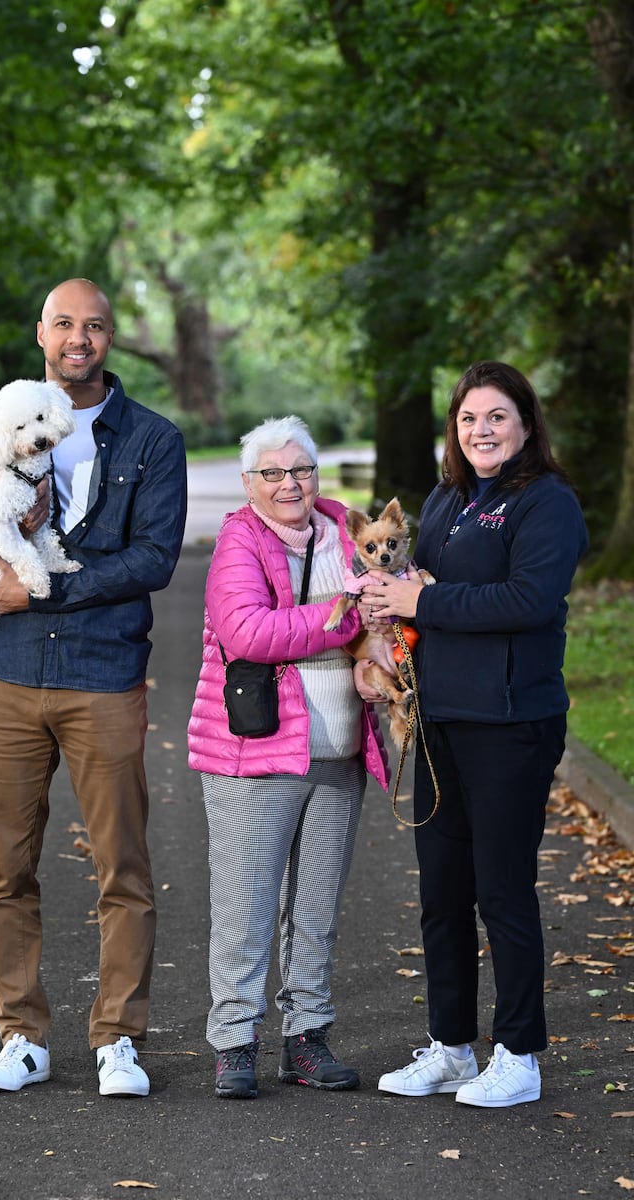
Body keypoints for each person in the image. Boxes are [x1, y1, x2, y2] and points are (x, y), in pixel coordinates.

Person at [0, 278, 187, 1097]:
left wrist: (47, 588)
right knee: (5, 868)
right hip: (5, 676)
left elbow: (153, 561)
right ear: (41, 333)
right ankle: (21, 1034)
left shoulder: (152, 441)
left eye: (95, 327)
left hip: (103, 674)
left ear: (110, 339)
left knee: (122, 865)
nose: (79, 339)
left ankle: (118, 1040)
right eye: (65, 324)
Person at [358, 361, 588, 1108]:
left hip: (512, 723)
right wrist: (390, 614)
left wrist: (424, 597)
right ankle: (452, 1046)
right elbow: (424, 586)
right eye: (468, 419)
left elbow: (527, 598)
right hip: (440, 721)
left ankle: (519, 1056)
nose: (481, 431)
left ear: (525, 423)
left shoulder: (547, 503)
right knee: (442, 893)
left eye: (496, 416)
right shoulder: (450, 497)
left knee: (503, 892)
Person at [187, 415, 390, 1099]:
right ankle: (235, 1041)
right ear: (249, 484)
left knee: (316, 907)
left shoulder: (350, 533)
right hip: (255, 751)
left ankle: (307, 1038)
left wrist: (378, 629)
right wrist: (348, 614)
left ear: (316, 475)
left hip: (339, 749)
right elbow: (246, 632)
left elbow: (394, 595)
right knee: (245, 904)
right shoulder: (238, 541)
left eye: (299, 469)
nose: (288, 484)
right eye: (272, 473)